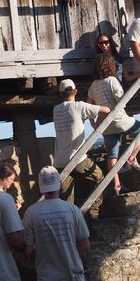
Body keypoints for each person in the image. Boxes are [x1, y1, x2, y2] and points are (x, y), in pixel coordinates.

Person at [88, 52, 140, 195]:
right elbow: (121, 100)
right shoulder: (112, 81)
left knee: (112, 155)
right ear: (110, 65)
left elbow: (89, 105)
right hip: (119, 120)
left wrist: (92, 122)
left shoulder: (93, 86)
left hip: (105, 125)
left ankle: (117, 185)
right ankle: (131, 159)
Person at [53, 78, 110, 206]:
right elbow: (106, 110)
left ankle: (72, 221)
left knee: (67, 199)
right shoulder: (79, 106)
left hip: (59, 161)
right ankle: (93, 211)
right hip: (77, 158)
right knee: (99, 177)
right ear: (76, 91)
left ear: (61, 94)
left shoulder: (55, 110)